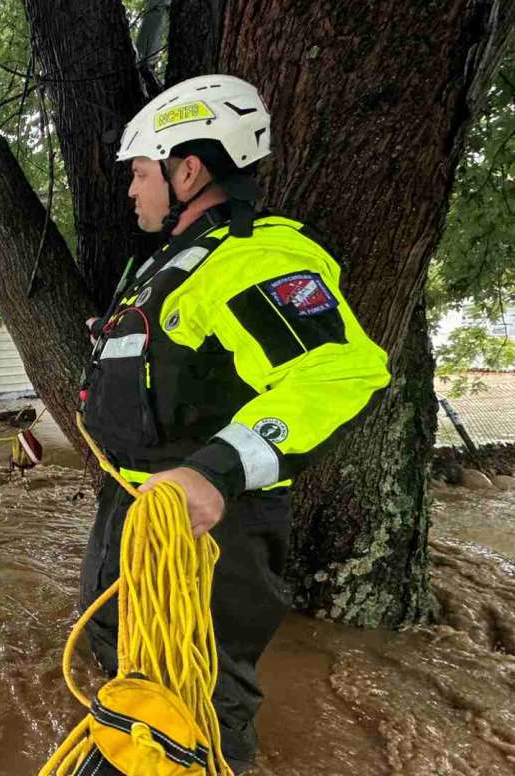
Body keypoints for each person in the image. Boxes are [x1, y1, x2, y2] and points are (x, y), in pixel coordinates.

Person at [78, 74, 391, 772]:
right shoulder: (162, 270)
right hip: (131, 516)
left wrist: (216, 470)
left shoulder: (255, 257)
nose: (131, 190)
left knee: (204, 717)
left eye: (139, 172)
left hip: (209, 539)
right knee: (129, 688)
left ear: (187, 168)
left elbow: (335, 373)